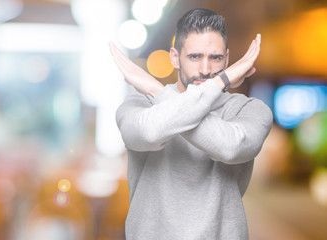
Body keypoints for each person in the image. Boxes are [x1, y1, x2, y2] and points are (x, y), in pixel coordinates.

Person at [109, 8, 273, 239]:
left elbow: (231, 147)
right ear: (175, 57)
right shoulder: (140, 102)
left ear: (227, 59)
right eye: (195, 57)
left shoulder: (249, 109)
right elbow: (148, 132)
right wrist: (218, 83)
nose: (206, 69)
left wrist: (158, 91)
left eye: (215, 58)